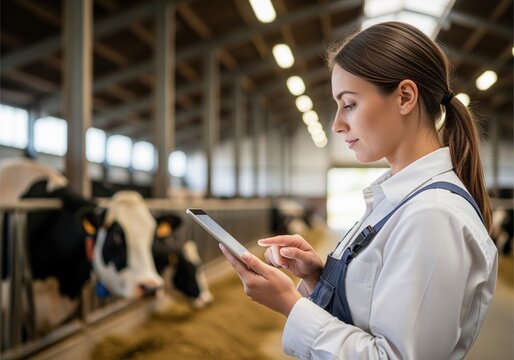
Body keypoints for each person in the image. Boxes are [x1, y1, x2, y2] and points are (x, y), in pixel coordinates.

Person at [219, 21, 498, 359]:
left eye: (349, 104)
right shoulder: (398, 201)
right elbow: (369, 315)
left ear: (405, 97)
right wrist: (316, 277)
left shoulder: (433, 215)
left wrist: (290, 305)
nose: (337, 124)